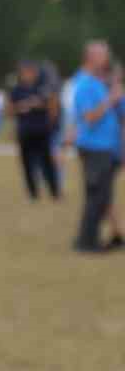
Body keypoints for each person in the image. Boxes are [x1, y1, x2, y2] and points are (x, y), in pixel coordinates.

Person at [71, 40, 125, 253]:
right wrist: (110, 99)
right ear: (91, 57)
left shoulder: (99, 82)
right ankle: (87, 242)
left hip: (107, 147)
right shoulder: (84, 84)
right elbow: (90, 117)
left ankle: (94, 238)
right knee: (96, 196)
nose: (107, 60)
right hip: (94, 148)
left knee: (102, 195)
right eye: (103, 56)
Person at [10, 60, 60, 201]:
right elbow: (9, 109)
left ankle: (54, 192)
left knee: (47, 163)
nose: (26, 75)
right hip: (25, 132)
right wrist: (21, 106)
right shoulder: (17, 90)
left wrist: (50, 122)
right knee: (27, 164)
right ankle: (33, 194)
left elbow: (53, 105)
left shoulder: (42, 88)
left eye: (29, 71)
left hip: (42, 131)